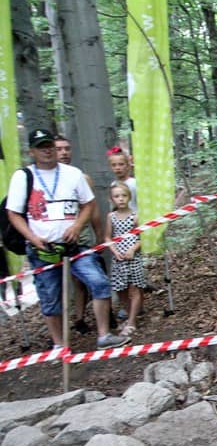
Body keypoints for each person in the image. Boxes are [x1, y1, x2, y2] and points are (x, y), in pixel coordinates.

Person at [5, 129, 130, 350]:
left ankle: (104, 335)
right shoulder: (22, 177)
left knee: (99, 282)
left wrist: (77, 226)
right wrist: (32, 238)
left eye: (49, 146)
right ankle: (59, 344)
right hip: (42, 248)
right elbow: (13, 213)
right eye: (41, 147)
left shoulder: (73, 174)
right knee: (50, 296)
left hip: (74, 245)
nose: (47, 151)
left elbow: (88, 204)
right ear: (32, 151)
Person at [55, 134, 106, 335]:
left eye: (67, 149)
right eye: (59, 149)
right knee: (55, 283)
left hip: (81, 238)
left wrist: (99, 235)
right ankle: (64, 329)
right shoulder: (41, 180)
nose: (64, 153)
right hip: (52, 242)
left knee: (85, 279)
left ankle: (83, 318)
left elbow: (92, 208)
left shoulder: (81, 178)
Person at [106, 181, 146, 337]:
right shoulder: (111, 217)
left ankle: (132, 322)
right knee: (120, 289)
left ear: (129, 197)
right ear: (112, 199)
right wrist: (114, 251)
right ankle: (130, 315)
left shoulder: (135, 216)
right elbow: (107, 237)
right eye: (117, 196)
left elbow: (143, 237)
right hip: (119, 258)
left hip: (133, 257)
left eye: (124, 195)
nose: (121, 199)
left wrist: (133, 249)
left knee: (135, 288)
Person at [107, 146, 138, 212]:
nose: (117, 168)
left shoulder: (134, 183)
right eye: (114, 165)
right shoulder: (113, 184)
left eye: (121, 164)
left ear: (128, 165)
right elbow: (113, 206)